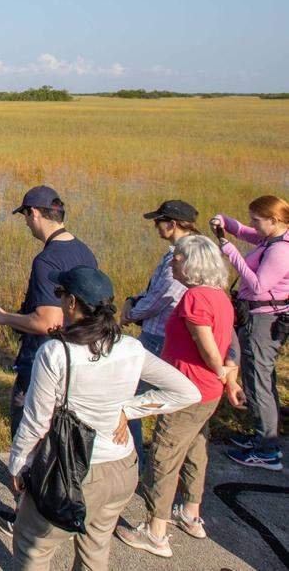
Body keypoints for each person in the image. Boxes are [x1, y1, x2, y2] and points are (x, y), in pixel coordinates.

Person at [9, 266, 200, 571]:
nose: (59, 302)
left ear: (72, 302)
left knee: (33, 546)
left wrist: (19, 464)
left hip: (73, 470)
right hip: (122, 468)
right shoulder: (130, 348)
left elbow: (35, 421)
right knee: (96, 547)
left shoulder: (56, 353)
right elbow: (187, 392)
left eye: (61, 295)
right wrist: (128, 409)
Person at [117, 235, 244, 557]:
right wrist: (228, 376)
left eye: (179, 258)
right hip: (207, 393)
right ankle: (190, 512)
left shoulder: (195, 298)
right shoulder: (219, 296)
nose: (173, 262)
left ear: (194, 263)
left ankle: (156, 531)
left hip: (187, 390)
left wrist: (220, 370)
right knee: (195, 448)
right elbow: (228, 343)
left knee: (164, 454)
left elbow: (208, 345)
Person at [0, 185, 97, 533]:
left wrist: (4, 318)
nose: (26, 225)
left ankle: (26, 518)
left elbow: (48, 322)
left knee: (29, 436)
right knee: (61, 435)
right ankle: (61, 502)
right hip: (78, 360)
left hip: (42, 363)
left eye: (25, 217)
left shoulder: (46, 260)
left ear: (34, 214)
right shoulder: (84, 251)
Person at [212, 194, 289, 470]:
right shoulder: (272, 239)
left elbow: (258, 285)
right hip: (258, 319)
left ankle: (268, 450)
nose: (253, 225)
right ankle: (263, 437)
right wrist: (226, 223)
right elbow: (245, 232)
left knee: (259, 381)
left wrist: (227, 248)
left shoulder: (281, 250)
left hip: (264, 322)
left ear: (274, 220)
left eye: (257, 220)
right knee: (260, 377)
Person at [122, 199, 200, 457]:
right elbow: (154, 291)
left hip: (157, 337)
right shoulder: (187, 250)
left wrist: (129, 313)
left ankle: (132, 460)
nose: (156, 226)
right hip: (164, 334)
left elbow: (161, 298)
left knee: (128, 398)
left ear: (173, 224)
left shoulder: (181, 257)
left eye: (158, 221)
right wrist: (134, 299)